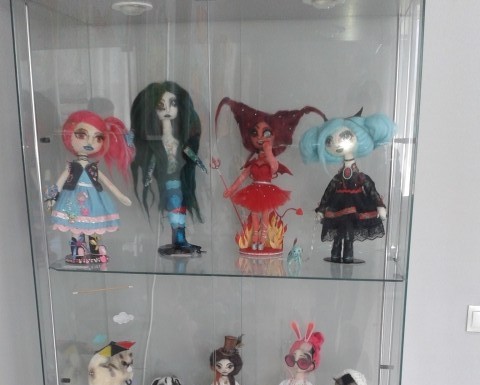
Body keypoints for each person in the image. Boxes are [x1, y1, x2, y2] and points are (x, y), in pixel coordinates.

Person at [215, 98, 325, 255]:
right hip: (254, 190)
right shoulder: (253, 162)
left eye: (266, 133)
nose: (260, 138)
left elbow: (274, 166)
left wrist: (268, 151)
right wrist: (231, 189)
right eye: (255, 133)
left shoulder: (270, 159)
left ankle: (262, 239)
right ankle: (255, 239)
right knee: (254, 215)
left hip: (267, 190)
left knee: (265, 216)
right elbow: (242, 177)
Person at [299, 112, 395, 263]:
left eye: (344, 137)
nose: (337, 144)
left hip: (356, 204)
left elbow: (370, 188)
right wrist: (321, 209)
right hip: (338, 204)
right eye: (329, 141)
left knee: (348, 233)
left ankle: (348, 255)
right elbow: (328, 192)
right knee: (338, 233)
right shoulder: (338, 177)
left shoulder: (360, 176)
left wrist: (379, 205)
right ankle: (336, 254)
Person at [47, 110, 134, 263]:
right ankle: (77, 249)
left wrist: (120, 196)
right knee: (75, 225)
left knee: (94, 225)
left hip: (94, 199)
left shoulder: (94, 168)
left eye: (98, 138)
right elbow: (59, 183)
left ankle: (94, 249)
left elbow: (108, 183)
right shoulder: (71, 166)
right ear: (69, 135)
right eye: (82, 135)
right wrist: (51, 197)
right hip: (73, 198)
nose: (90, 142)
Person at [130, 81, 204, 255]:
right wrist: (148, 176)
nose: (168, 110)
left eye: (173, 104)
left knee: (179, 207)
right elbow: (153, 161)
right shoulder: (156, 142)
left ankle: (180, 239)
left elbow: (188, 153)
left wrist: (200, 163)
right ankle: (179, 239)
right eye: (161, 106)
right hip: (170, 181)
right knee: (175, 206)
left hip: (179, 179)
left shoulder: (180, 140)